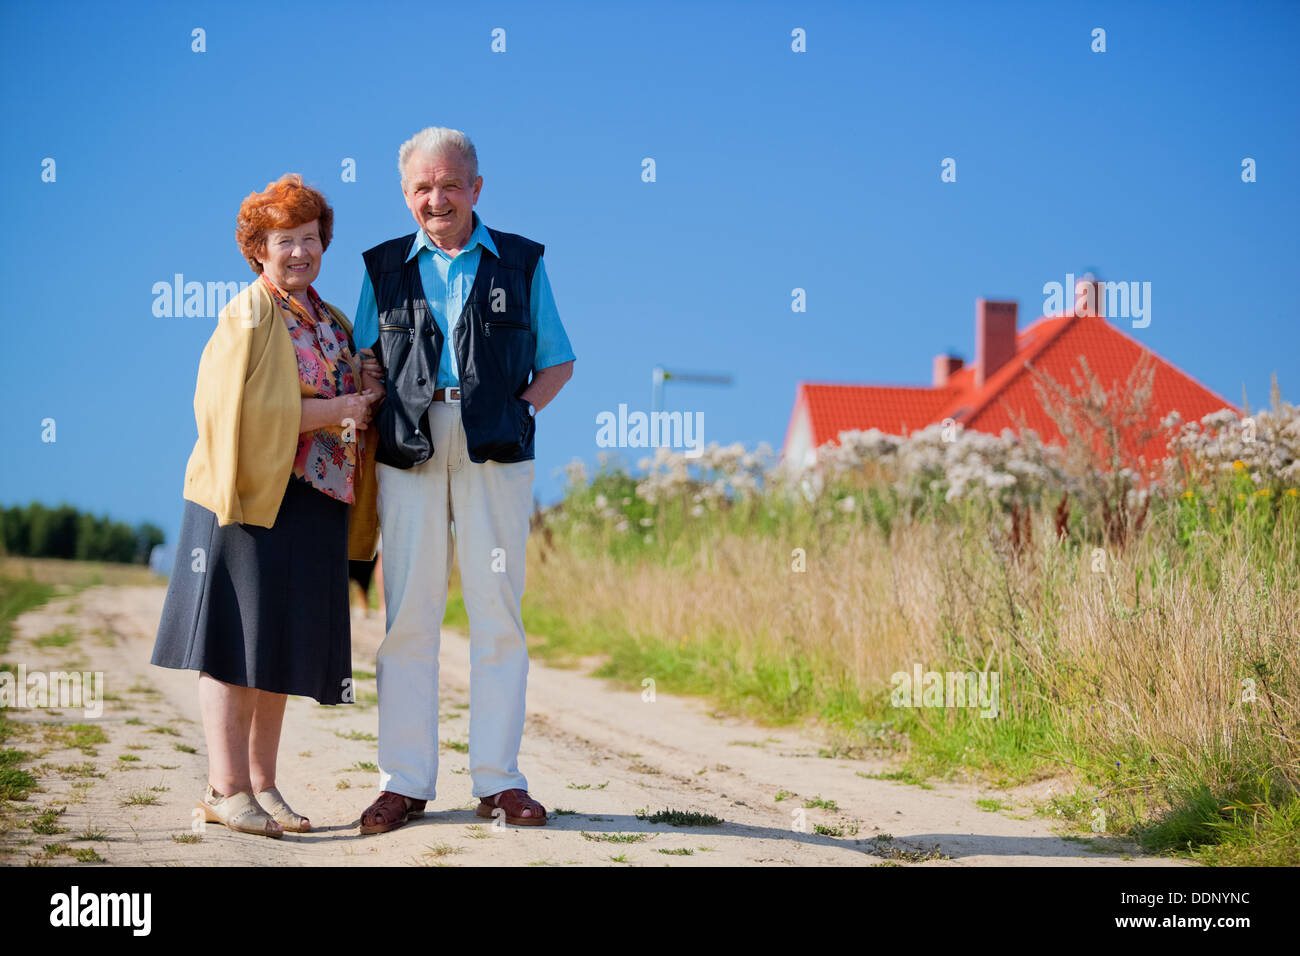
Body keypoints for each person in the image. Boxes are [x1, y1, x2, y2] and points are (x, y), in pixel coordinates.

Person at [354, 127, 575, 834]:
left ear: (476, 188)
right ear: (406, 196)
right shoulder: (382, 267)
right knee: (407, 618)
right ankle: (404, 782)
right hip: (407, 449)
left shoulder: (522, 261)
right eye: (422, 187)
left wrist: (520, 412)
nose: (437, 198)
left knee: (497, 613)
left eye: (450, 184)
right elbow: (366, 361)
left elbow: (558, 360)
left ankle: (499, 782)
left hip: (496, 451)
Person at [151, 174, 383, 838]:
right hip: (246, 498)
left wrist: (364, 387)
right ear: (259, 249)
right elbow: (231, 411)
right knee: (232, 645)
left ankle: (262, 785)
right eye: (286, 241)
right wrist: (338, 409)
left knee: (274, 649)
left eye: (310, 239)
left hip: (311, 502)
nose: (301, 253)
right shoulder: (248, 312)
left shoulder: (330, 318)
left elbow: (348, 399)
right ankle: (225, 789)